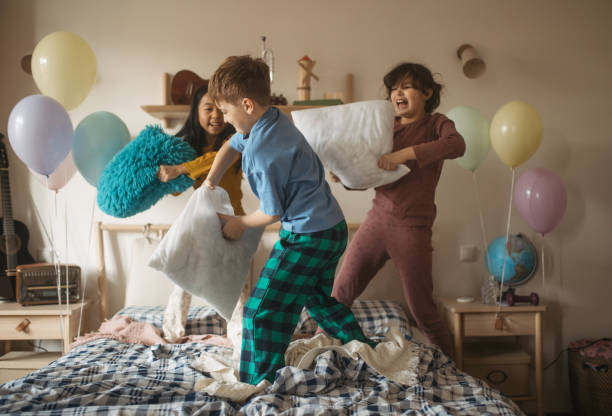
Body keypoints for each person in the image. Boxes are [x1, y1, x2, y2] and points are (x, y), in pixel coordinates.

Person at [204, 55, 375, 385]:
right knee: (317, 299)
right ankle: (367, 350)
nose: (224, 119)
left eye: (225, 111)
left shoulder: (262, 152)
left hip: (308, 235)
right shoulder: (272, 120)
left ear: (247, 104)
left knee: (259, 311)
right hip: (332, 229)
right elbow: (231, 144)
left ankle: (258, 383)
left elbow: (271, 212)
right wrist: (211, 180)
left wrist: (237, 223)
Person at [328, 63, 465, 357]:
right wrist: (344, 177)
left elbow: (457, 145)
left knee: (422, 311)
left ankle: (453, 369)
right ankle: (317, 350)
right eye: (393, 88)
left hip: (412, 229)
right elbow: (368, 175)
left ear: (427, 93)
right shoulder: (385, 130)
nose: (397, 93)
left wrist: (405, 154)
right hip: (376, 223)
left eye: (405, 86)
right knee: (338, 296)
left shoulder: (436, 124)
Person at [157, 84, 244, 216]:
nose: (216, 115)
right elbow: (176, 191)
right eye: (208, 109)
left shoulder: (236, 139)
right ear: (196, 113)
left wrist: (180, 168)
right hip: (205, 218)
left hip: (234, 218)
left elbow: (222, 157)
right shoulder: (186, 147)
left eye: (221, 109)